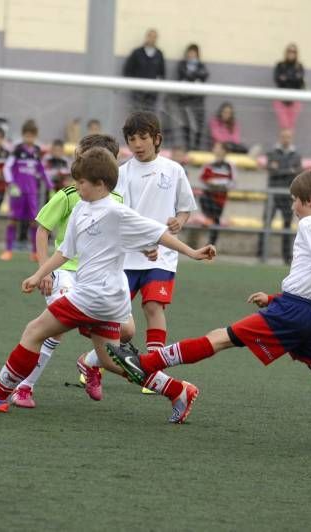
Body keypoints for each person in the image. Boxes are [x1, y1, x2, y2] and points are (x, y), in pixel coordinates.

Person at [108, 170, 311, 452]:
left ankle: (146, 363)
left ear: (309, 202)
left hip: (294, 312)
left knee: (220, 338)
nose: (292, 207)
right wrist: (274, 299)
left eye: (294, 200)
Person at [0, 147, 216, 420]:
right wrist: (38, 275)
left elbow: (159, 234)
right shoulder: (81, 207)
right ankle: (177, 390)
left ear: (101, 184)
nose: (77, 186)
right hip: (103, 297)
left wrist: (193, 253)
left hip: (96, 296)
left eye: (81, 182)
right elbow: (65, 252)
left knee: (34, 331)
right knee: (108, 360)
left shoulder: (117, 212)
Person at [10, 134, 136, 408]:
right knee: (54, 329)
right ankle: (24, 387)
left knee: (127, 331)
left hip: (100, 278)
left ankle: (90, 361)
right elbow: (43, 229)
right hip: (65, 271)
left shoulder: (118, 200)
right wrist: (44, 272)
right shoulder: (69, 195)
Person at [118, 111, 196, 366]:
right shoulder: (122, 173)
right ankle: (97, 361)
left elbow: (184, 208)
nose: (137, 144)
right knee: (116, 319)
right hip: (127, 256)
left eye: (143, 137)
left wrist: (179, 221)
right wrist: (141, 245)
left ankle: (152, 366)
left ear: (157, 138)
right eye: (131, 139)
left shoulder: (173, 170)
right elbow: (121, 218)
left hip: (161, 256)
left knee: (153, 307)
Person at [0, 119, 51, 262]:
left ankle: (35, 253)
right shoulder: (17, 150)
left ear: (35, 136)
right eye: (27, 135)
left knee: (34, 222)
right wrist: (11, 184)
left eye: (32, 136)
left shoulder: (36, 151)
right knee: (13, 220)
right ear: (23, 135)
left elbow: (41, 170)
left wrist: (49, 185)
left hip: (32, 193)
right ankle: (8, 250)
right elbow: (7, 167)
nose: (29, 139)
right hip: (18, 193)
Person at [258, 128, 301, 264]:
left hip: (288, 196)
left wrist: (279, 170)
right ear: (280, 137)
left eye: (288, 137)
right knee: (266, 224)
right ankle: (261, 255)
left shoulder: (296, 155)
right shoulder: (272, 153)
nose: (285, 139)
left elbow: (297, 172)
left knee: (287, 227)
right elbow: (272, 170)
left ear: (291, 138)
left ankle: (287, 258)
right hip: (273, 195)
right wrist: (289, 170)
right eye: (283, 136)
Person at [198, 142, 235, 245]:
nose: (215, 149)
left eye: (218, 147)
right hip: (209, 195)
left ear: (224, 151)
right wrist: (210, 183)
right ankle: (207, 219)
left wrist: (221, 184)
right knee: (203, 199)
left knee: (216, 220)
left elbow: (232, 182)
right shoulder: (209, 164)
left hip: (220, 198)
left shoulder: (229, 165)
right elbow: (202, 179)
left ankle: (211, 244)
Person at [122, 28, 165, 111]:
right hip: (138, 90)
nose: (152, 39)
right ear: (146, 37)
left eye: (154, 37)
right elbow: (128, 69)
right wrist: (133, 83)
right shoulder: (137, 52)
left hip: (152, 91)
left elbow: (162, 73)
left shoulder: (159, 54)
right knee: (137, 113)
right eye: (150, 36)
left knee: (149, 114)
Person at [176, 43, 209, 150]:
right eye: (190, 52)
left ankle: (196, 147)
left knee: (198, 124)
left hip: (197, 101)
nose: (191, 54)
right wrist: (195, 78)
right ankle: (187, 146)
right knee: (186, 124)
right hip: (185, 100)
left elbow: (205, 75)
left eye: (193, 52)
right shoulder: (182, 64)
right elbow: (183, 74)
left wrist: (192, 76)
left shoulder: (201, 65)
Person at [273, 43, 305, 132]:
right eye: (289, 51)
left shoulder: (299, 67)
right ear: (286, 52)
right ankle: (281, 145)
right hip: (281, 99)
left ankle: (289, 145)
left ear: (296, 54)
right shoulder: (280, 65)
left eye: (293, 51)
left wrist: (286, 78)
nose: (291, 53)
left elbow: (300, 82)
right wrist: (293, 78)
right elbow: (278, 80)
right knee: (284, 124)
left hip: (294, 100)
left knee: (291, 125)